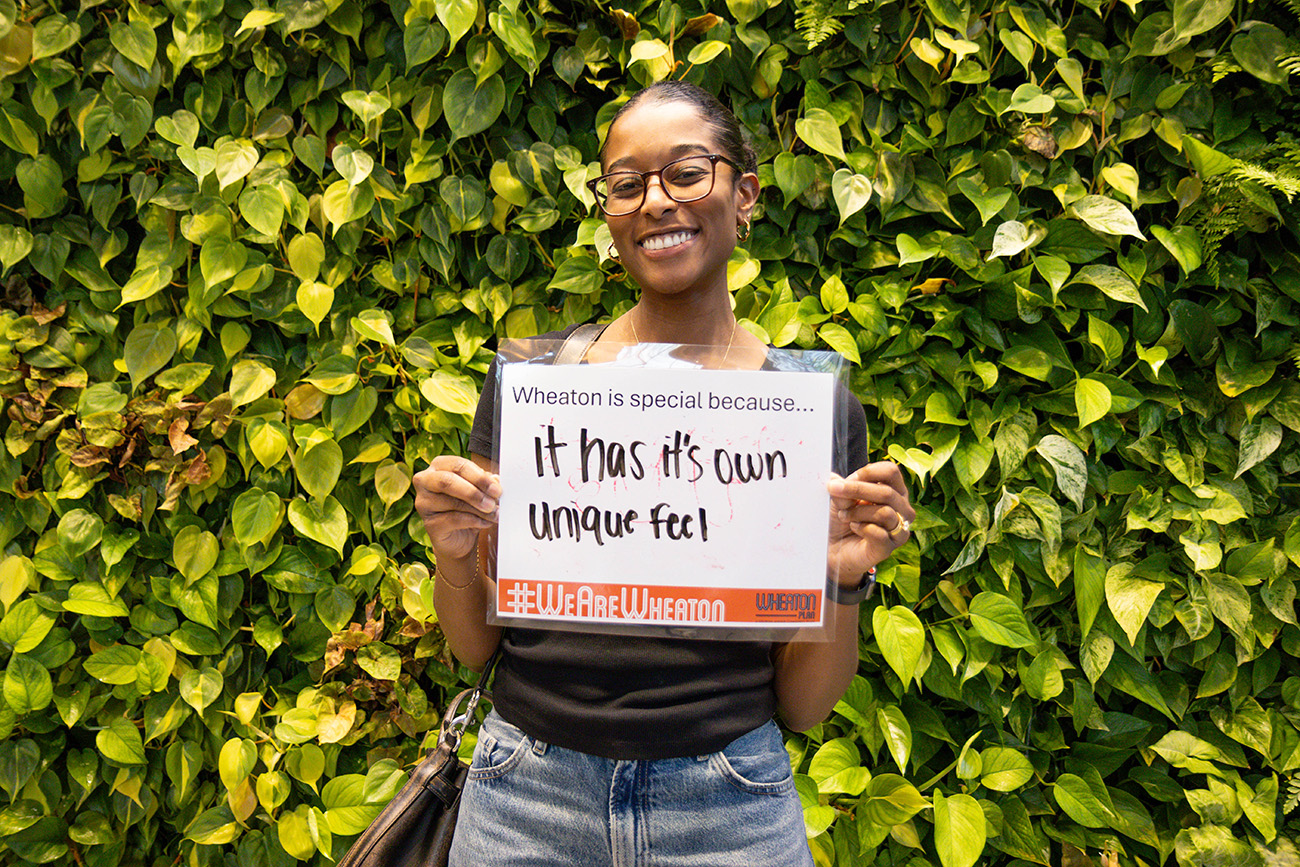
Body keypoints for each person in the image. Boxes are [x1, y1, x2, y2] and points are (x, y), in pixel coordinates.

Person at [413, 81, 916, 867]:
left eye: (686, 173)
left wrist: (842, 582)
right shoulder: (541, 387)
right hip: (525, 798)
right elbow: (475, 647)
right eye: (626, 184)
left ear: (744, 193)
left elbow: (807, 705)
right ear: (608, 212)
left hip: (729, 806)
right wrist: (452, 552)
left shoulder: (806, 414)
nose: (656, 201)